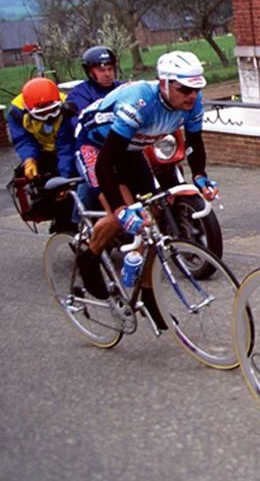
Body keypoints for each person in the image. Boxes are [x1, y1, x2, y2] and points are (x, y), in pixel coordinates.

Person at [71, 51, 220, 325]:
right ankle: (89, 259)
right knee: (123, 216)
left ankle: (149, 297)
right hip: (97, 147)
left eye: (197, 88)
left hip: (132, 148)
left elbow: (195, 143)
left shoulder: (193, 103)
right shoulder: (138, 102)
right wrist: (120, 209)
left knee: (152, 221)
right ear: (164, 83)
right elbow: (105, 165)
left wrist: (200, 175)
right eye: (185, 89)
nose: (192, 95)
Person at [5, 77, 75, 232]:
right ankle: (58, 219)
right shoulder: (16, 112)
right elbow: (23, 139)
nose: (49, 117)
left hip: (66, 149)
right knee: (41, 182)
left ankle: (70, 217)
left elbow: (66, 147)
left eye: (52, 112)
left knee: (69, 181)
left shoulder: (67, 105)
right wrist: (29, 159)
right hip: (42, 150)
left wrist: (64, 179)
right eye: (43, 114)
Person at [63, 46, 125, 214]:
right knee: (90, 181)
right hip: (94, 146)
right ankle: (79, 222)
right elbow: (79, 120)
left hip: (123, 144)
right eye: (101, 70)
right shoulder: (80, 93)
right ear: (90, 72)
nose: (107, 74)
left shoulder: (123, 88)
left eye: (110, 69)